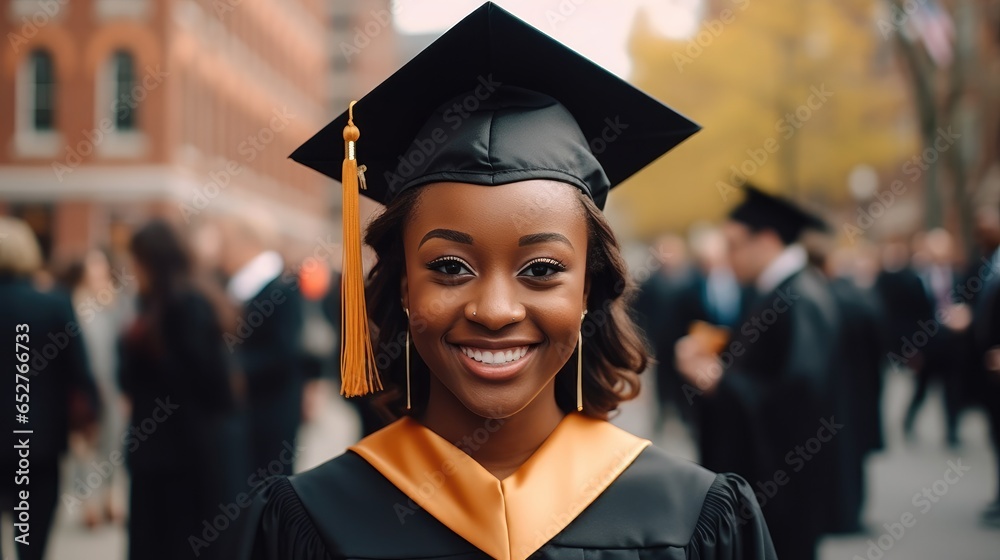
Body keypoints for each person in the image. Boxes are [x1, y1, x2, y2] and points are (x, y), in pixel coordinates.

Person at [236, 4, 776, 559]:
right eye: (449, 267)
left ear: (589, 288)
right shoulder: (311, 524)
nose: (494, 310)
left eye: (541, 270)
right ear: (402, 287)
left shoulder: (694, 518)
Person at [675, 185, 838, 560]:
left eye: (733, 245)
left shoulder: (800, 297)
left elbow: (800, 392)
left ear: (765, 240)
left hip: (786, 483)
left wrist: (718, 381)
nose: (727, 259)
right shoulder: (778, 291)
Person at [119, 220, 241, 560]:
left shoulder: (185, 304)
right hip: (161, 455)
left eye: (135, 261)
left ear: (151, 260)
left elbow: (210, 382)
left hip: (184, 456)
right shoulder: (154, 304)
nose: (131, 270)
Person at [1, 217, 100, 560]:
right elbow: (80, 371)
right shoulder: (53, 304)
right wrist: (93, 416)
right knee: (30, 535)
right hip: (36, 441)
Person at [217, 213, 305, 477]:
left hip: (271, 411)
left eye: (227, 244)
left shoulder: (280, 289)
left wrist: (234, 369)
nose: (222, 253)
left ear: (247, 244)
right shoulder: (239, 287)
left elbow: (284, 352)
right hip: (250, 409)